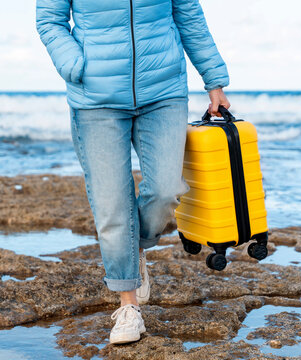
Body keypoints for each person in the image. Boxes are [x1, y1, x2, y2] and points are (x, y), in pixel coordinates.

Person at [36, 0, 230, 345]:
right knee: (112, 206)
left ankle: (132, 247)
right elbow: (50, 20)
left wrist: (213, 80)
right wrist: (75, 64)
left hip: (163, 91)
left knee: (167, 189)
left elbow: (188, 14)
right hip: (96, 99)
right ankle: (129, 306)